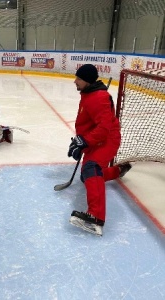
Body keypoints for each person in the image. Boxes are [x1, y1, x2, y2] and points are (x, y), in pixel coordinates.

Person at [68, 64, 131, 236]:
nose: (75, 81)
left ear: (87, 80)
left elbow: (104, 129)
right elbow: (89, 123)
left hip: (107, 140)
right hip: (96, 141)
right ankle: (118, 170)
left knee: (91, 169)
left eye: (79, 79)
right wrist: (79, 142)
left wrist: (85, 141)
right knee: (86, 177)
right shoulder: (88, 94)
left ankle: (96, 218)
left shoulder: (98, 97)